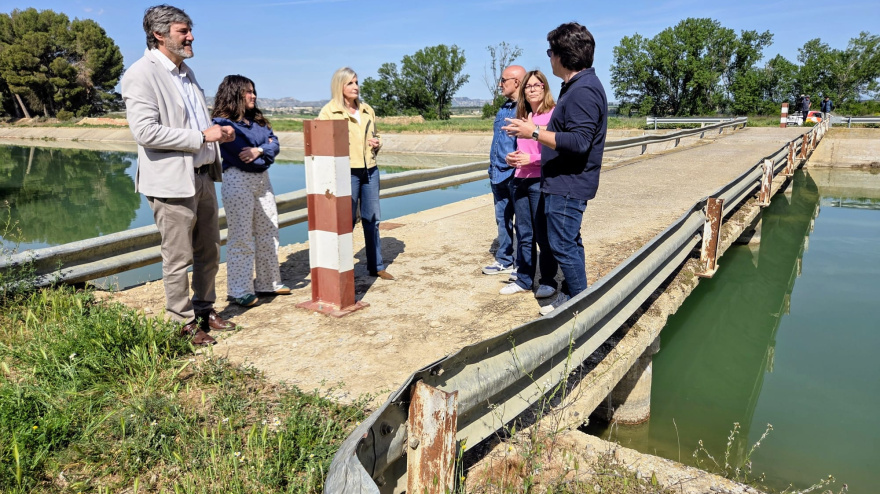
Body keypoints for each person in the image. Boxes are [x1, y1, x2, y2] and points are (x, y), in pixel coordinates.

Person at [121, 5, 237, 345]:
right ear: (159, 35)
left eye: (189, 30)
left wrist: (216, 132)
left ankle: (204, 309)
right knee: (177, 256)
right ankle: (183, 323)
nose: (191, 36)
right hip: (171, 182)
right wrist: (202, 137)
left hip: (201, 176)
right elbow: (145, 132)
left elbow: (192, 123)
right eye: (183, 31)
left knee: (210, 250)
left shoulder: (186, 72)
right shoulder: (141, 74)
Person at [503, 22, 608, 316]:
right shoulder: (576, 87)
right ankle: (576, 295)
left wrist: (533, 133)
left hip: (569, 183)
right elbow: (569, 130)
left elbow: (578, 141)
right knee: (569, 242)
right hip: (564, 181)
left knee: (562, 245)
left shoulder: (583, 91)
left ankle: (579, 307)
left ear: (563, 55)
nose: (549, 57)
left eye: (551, 51)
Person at [211, 75, 289, 307]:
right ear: (234, 94)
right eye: (247, 91)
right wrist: (263, 152)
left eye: (253, 91)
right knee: (241, 236)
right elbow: (241, 156)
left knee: (269, 230)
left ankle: (269, 282)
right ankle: (239, 290)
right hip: (237, 179)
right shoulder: (222, 124)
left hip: (262, 181)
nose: (253, 95)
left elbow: (275, 145)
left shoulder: (259, 122)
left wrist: (259, 151)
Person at [317, 67, 394, 280]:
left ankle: (376, 265)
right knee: (345, 221)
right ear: (339, 86)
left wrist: (377, 144)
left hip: (370, 170)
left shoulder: (367, 110)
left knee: (372, 219)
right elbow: (321, 144)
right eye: (350, 83)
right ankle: (342, 268)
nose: (356, 87)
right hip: (345, 172)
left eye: (357, 82)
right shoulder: (328, 112)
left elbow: (375, 136)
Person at [500, 70, 558, 300]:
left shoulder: (553, 115)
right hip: (519, 179)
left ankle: (548, 281)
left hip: (540, 182)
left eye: (537, 85)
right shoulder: (522, 115)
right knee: (524, 234)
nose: (532, 89)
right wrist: (510, 158)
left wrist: (532, 160)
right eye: (528, 86)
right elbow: (521, 149)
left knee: (543, 235)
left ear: (545, 88)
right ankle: (524, 279)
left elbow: (556, 151)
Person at [482, 65, 526, 277]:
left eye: (504, 80)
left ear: (516, 82)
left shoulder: (527, 108)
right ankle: (504, 260)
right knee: (502, 219)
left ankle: (521, 265)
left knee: (523, 223)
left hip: (516, 175)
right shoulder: (504, 107)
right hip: (497, 173)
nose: (500, 84)